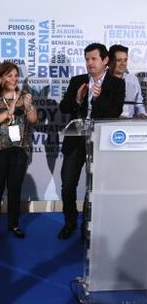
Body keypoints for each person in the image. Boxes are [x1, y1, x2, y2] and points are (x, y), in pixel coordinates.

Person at [58, 43, 125, 239]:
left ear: (105, 61)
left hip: (100, 143)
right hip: (75, 142)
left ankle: (88, 226)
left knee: (94, 187)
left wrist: (98, 97)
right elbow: (64, 108)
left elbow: (115, 112)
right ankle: (69, 223)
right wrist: (78, 100)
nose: (89, 63)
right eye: (87, 59)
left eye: (94, 59)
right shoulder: (77, 81)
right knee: (68, 185)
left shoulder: (116, 84)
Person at [0, 61, 37, 241]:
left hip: (19, 149)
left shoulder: (25, 96)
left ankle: (14, 224)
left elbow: (33, 119)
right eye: (9, 75)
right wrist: (8, 112)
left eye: (15, 75)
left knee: (15, 188)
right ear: (0, 78)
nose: (14, 78)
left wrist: (28, 106)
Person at [108, 44, 147, 118]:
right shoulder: (101, 79)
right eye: (119, 60)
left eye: (125, 60)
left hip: (128, 125)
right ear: (110, 61)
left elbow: (139, 105)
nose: (123, 64)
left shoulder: (133, 79)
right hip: (107, 124)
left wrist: (141, 114)